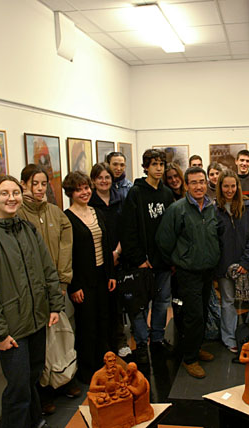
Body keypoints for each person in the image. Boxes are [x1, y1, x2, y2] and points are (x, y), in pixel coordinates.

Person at [0, 175, 64, 428]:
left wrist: (54, 305)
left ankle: (36, 422)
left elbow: (47, 269)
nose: (11, 198)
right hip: (11, 330)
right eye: (5, 193)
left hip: (37, 321)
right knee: (18, 390)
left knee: (32, 379)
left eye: (16, 193)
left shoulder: (28, 230)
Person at [17, 165, 80, 413]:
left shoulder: (55, 213)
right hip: (32, 292)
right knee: (40, 344)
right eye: (35, 183)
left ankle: (63, 379)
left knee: (61, 336)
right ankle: (43, 392)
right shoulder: (18, 215)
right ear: (24, 184)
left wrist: (62, 282)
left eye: (44, 183)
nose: (40, 188)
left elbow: (66, 247)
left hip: (56, 288)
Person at [156, 167, 220, 379]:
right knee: (193, 316)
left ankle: (196, 347)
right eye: (194, 182)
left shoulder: (212, 208)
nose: (199, 186)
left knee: (202, 313)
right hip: (188, 272)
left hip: (207, 271)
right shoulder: (177, 209)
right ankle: (189, 359)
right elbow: (164, 241)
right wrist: (175, 263)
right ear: (186, 185)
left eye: (202, 182)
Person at [120, 149, 174, 364]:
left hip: (163, 261)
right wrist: (138, 259)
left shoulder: (167, 193)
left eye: (161, 164)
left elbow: (171, 228)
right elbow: (128, 229)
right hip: (142, 262)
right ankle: (142, 343)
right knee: (141, 305)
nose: (159, 168)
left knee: (162, 302)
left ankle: (158, 339)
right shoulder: (136, 193)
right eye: (154, 164)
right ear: (146, 167)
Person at [63, 171, 117, 383]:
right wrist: (73, 286)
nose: (84, 192)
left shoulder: (96, 212)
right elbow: (67, 255)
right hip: (82, 281)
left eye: (86, 188)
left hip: (103, 276)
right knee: (87, 326)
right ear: (70, 193)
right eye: (79, 190)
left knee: (104, 321)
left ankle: (103, 365)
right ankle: (87, 371)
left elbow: (106, 244)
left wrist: (111, 274)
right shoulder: (67, 218)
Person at [215, 170, 249, 353]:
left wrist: (246, 262)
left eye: (233, 186)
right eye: (226, 186)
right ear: (220, 187)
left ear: (238, 186)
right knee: (228, 302)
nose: (229, 190)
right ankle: (229, 338)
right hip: (225, 266)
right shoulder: (214, 209)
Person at [89, 163, 132, 358]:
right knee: (103, 304)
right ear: (93, 181)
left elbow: (127, 227)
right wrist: (107, 257)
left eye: (107, 177)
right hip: (98, 260)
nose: (104, 181)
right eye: (100, 178)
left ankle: (120, 341)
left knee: (118, 304)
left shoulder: (120, 199)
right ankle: (104, 345)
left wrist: (117, 252)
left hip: (119, 257)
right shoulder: (90, 202)